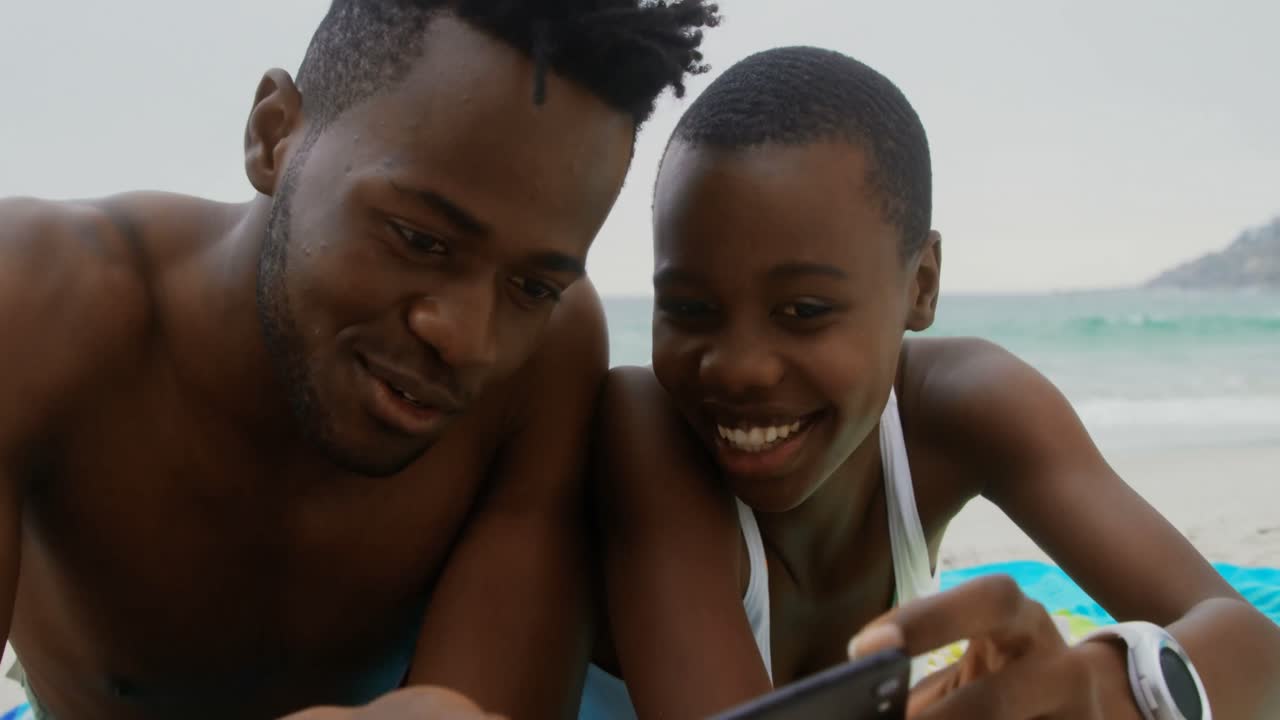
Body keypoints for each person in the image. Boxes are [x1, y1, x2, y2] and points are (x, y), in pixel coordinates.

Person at [0, 1, 719, 718]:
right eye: (418, 238)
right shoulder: (38, 301)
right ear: (273, 135)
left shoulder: (549, 358)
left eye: (532, 286)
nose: (469, 340)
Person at [582, 46, 1280, 719]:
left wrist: (1114, 686)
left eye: (803, 311)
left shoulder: (963, 407)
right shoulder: (646, 429)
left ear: (921, 285)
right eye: (689, 309)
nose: (738, 366)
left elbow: (1255, 648)